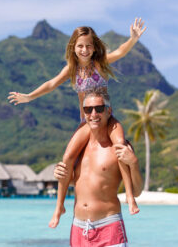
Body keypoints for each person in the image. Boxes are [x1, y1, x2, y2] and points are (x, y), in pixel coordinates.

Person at [8, 18, 146, 218]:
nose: (84, 50)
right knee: (67, 158)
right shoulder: (71, 70)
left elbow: (121, 51)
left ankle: (130, 197)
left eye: (88, 46)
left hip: (108, 118)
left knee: (120, 148)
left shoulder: (99, 63)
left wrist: (132, 39)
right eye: (80, 46)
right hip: (86, 122)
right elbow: (51, 84)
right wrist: (29, 97)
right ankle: (59, 207)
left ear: (93, 47)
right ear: (73, 47)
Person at [54, 89, 143, 246]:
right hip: (78, 229)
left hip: (109, 228)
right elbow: (80, 182)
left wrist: (134, 163)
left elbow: (137, 191)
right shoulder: (79, 148)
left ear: (109, 111)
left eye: (99, 109)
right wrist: (61, 174)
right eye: (88, 110)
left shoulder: (120, 148)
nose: (93, 114)